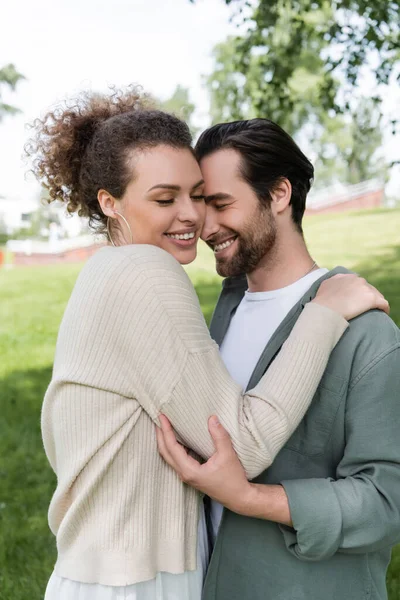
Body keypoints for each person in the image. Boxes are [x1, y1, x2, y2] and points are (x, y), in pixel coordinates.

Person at [27, 89, 386, 600]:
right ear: (110, 202)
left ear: (279, 195)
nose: (194, 218)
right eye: (163, 198)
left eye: (201, 196)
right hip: (136, 582)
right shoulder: (144, 273)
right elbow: (240, 445)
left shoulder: (105, 276)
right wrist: (325, 312)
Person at [157, 118, 400, 600]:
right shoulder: (224, 307)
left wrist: (250, 498)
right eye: (202, 204)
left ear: (280, 194)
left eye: (222, 204)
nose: (205, 225)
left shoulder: (368, 334)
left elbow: (386, 502)